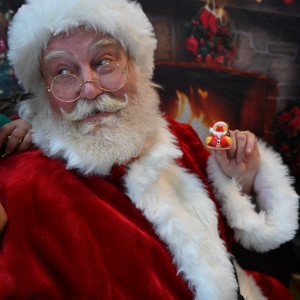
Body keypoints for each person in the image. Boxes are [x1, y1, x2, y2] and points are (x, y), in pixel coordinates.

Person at [0, 0, 298, 299]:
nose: (89, 89)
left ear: (135, 67)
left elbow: (218, 243)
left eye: (104, 61)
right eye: (63, 71)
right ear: (45, 92)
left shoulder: (178, 136)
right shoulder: (23, 186)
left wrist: (238, 184)